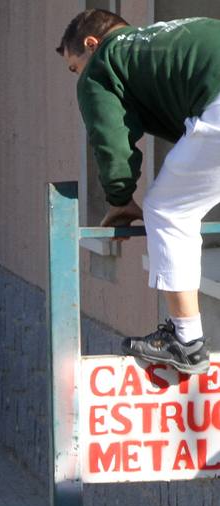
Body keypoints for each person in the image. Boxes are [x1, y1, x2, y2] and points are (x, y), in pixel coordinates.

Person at [60, 11, 220, 373]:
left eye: (74, 67)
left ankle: (186, 340)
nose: (78, 76)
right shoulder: (170, 37)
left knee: (167, 210)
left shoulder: (103, 64)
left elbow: (111, 140)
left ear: (91, 44)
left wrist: (119, 199)